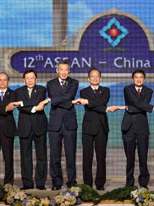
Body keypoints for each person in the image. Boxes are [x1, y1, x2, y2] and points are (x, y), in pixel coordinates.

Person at [121, 69, 154, 188]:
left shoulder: (148, 91)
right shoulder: (127, 89)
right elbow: (137, 103)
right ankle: (129, 183)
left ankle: (143, 183)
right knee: (130, 158)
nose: (138, 79)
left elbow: (140, 106)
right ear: (133, 79)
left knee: (143, 157)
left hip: (142, 128)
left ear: (144, 79)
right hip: (128, 127)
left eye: (141, 77)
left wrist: (129, 108)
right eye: (136, 77)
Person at [74, 68, 113, 190]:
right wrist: (105, 109)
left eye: (97, 76)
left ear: (100, 78)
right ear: (88, 78)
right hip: (88, 127)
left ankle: (100, 184)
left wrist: (88, 102)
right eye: (92, 76)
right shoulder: (83, 91)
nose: (95, 78)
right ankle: (87, 184)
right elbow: (99, 105)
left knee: (101, 157)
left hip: (102, 127)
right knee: (87, 157)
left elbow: (102, 102)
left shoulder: (106, 90)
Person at [45, 60, 79, 190]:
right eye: (61, 69)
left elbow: (67, 96)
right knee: (54, 156)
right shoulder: (50, 84)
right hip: (54, 124)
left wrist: (55, 100)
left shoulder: (74, 82)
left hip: (69, 124)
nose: (64, 72)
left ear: (69, 71)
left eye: (66, 70)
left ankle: (72, 182)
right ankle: (56, 182)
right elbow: (61, 99)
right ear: (57, 70)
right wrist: (68, 102)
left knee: (71, 155)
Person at [14, 69, 49, 190]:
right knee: (25, 157)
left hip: (40, 127)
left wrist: (23, 103)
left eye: (32, 78)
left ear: (36, 79)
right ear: (24, 80)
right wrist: (34, 108)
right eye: (27, 78)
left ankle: (40, 184)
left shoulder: (42, 90)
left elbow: (37, 102)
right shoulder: (18, 91)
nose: (30, 80)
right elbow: (22, 108)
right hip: (25, 128)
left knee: (41, 157)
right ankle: (27, 184)